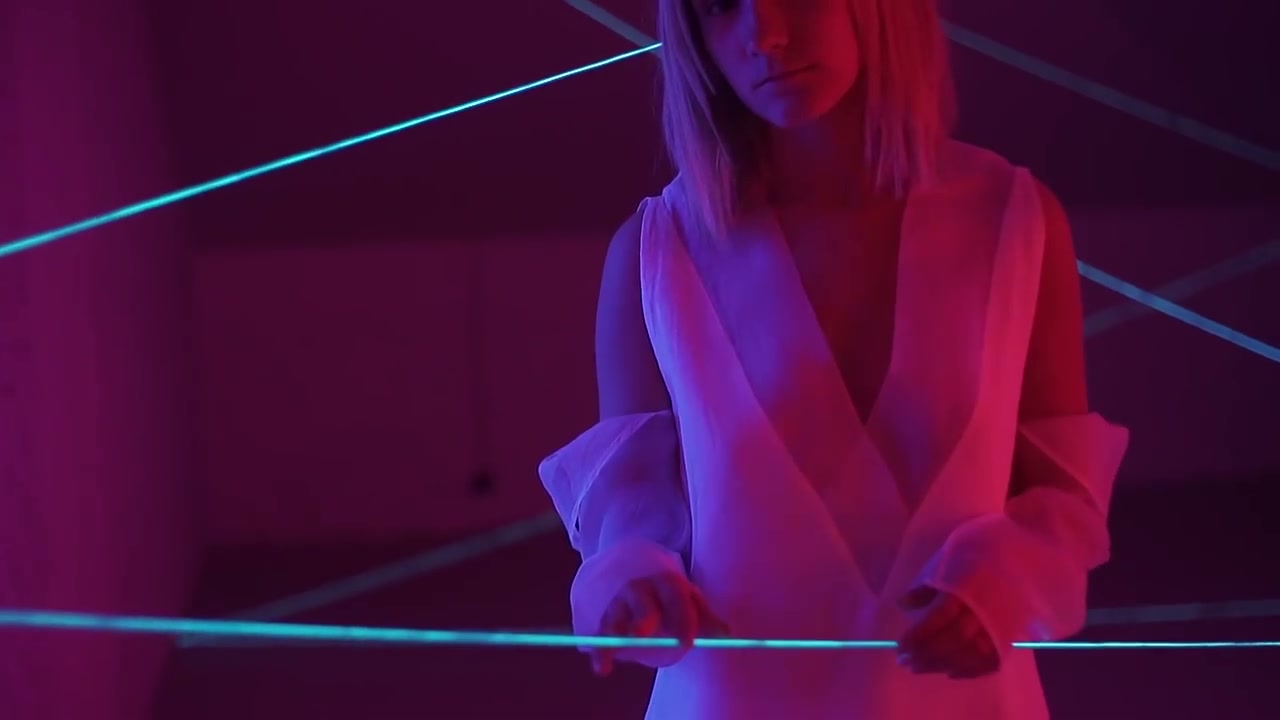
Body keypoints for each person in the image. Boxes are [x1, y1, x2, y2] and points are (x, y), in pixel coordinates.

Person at [538, 0, 1130, 717]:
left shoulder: (1012, 220)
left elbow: (1062, 497)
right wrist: (637, 586)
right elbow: (629, 514)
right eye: (721, 4)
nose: (765, 35)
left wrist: (1004, 583)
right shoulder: (659, 251)